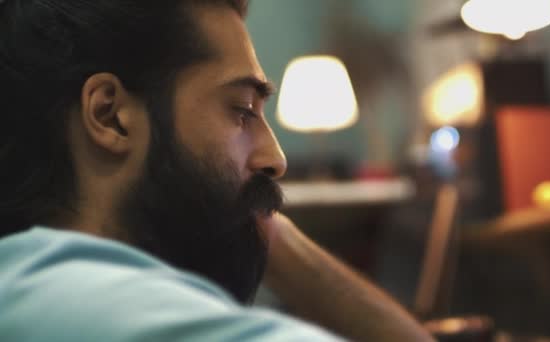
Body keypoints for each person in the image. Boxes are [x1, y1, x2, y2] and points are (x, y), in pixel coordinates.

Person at [0, 0, 433, 341]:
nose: (276, 158)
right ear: (110, 115)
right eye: (242, 110)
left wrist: (271, 236)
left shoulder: (24, 287)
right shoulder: (97, 305)